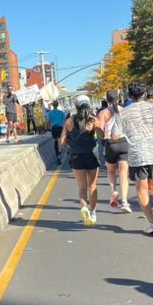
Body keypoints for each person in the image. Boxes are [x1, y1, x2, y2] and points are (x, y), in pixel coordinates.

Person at [117, 82, 153, 235]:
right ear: (145, 94)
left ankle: (152, 224)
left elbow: (115, 135)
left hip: (137, 153)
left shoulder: (123, 113)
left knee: (142, 188)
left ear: (130, 96)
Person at [60, 94, 101, 227]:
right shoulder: (93, 120)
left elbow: (62, 142)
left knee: (82, 187)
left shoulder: (69, 121)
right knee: (92, 185)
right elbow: (102, 135)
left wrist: (72, 141)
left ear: (76, 107)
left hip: (76, 155)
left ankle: (84, 207)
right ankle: (93, 213)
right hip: (92, 154)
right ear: (89, 105)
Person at [97, 90, 132, 213]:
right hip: (124, 143)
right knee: (124, 173)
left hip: (110, 144)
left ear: (107, 100)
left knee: (111, 171)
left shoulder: (103, 113)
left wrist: (101, 134)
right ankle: (125, 202)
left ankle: (114, 191)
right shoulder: (125, 111)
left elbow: (101, 132)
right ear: (119, 99)